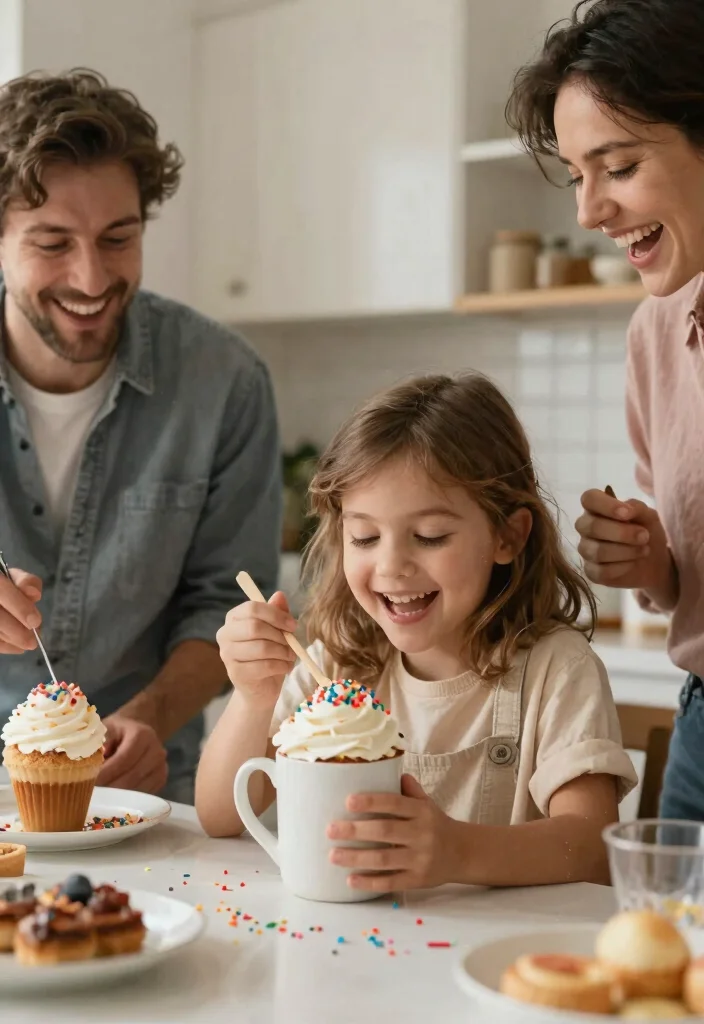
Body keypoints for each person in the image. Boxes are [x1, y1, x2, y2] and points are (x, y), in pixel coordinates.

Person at [197, 374, 636, 892]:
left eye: (429, 536)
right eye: (364, 536)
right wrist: (252, 698)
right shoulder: (338, 665)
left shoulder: (555, 669)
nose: (391, 565)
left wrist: (456, 851)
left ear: (508, 535)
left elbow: (591, 847)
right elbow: (219, 816)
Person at [0, 70, 281, 803]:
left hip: (150, 795)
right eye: (53, 243)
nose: (91, 278)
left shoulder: (226, 383)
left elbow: (227, 602)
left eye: (118, 238)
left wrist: (149, 717)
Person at [507, 0, 704, 821]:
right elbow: (684, 582)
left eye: (617, 167)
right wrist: (651, 562)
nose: (588, 212)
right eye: (579, 175)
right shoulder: (656, 334)